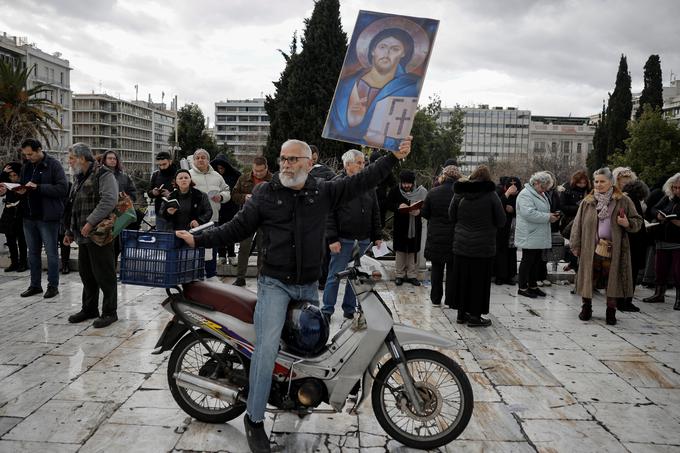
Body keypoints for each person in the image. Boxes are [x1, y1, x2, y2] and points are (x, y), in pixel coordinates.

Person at [176, 137, 412, 453]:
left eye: (293, 159)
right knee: (268, 347)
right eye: (283, 159)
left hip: (306, 286)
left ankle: (294, 395)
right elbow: (236, 229)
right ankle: (255, 419)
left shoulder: (322, 192)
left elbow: (362, 181)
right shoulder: (265, 194)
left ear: (308, 163)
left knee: (307, 348)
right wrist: (198, 240)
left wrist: (392, 157)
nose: (286, 165)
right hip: (274, 284)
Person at [324, 27, 422, 149]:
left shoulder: (409, 88)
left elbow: (394, 139)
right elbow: (333, 127)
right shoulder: (346, 85)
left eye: (395, 49)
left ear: (403, 54)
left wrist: (396, 145)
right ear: (372, 50)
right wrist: (351, 118)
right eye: (382, 47)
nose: (386, 53)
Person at [569, 167, 642, 325]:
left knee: (612, 280)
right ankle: (586, 307)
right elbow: (577, 224)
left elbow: (638, 222)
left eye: (603, 181)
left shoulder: (623, 200)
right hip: (591, 247)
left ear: (611, 182)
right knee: (589, 278)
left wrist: (627, 223)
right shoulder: (588, 201)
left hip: (614, 248)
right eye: (596, 181)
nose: (599, 184)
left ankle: (611, 311)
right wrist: (575, 245)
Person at [1, 139, 69, 299]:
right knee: (33, 253)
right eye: (25, 154)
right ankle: (35, 285)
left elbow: (62, 188)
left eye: (30, 154)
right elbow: (23, 187)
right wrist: (14, 189)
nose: (28, 157)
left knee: (51, 254)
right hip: (28, 216)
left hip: (47, 217)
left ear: (39, 150)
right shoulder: (26, 166)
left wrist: (38, 187)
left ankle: (53, 286)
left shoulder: (53, 165)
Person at [322, 149, 382, 321]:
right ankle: (327, 310)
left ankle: (349, 307)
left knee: (355, 276)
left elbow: (375, 212)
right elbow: (329, 214)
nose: (363, 166)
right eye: (360, 163)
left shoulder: (368, 185)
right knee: (335, 275)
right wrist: (332, 238)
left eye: (364, 163)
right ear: (348, 164)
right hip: (342, 239)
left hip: (362, 240)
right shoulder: (336, 184)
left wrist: (377, 235)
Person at [64, 143, 119, 328]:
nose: (69, 162)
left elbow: (109, 200)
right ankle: (89, 308)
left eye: (71, 158)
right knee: (86, 274)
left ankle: (110, 312)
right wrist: (69, 231)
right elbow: (73, 206)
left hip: (99, 234)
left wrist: (90, 222)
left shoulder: (104, 174)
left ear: (81, 158)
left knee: (105, 275)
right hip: (82, 235)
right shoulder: (79, 177)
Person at [448, 166, 506, 326]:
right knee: (479, 282)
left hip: (461, 245)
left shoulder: (459, 193)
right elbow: (501, 220)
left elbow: (451, 216)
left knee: (462, 279)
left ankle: (461, 314)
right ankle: (474, 316)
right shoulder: (491, 195)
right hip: (483, 247)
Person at [515, 171, 560, 299]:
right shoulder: (525, 194)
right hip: (529, 233)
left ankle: (533, 286)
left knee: (535, 261)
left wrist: (551, 215)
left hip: (537, 233)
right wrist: (547, 217)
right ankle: (522, 287)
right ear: (536, 183)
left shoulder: (538, 193)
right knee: (527, 261)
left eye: (546, 188)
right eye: (543, 187)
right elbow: (528, 213)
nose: (544, 190)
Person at [422, 165, 460, 306]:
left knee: (436, 270)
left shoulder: (433, 192)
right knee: (452, 271)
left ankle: (436, 299)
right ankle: (451, 299)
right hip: (453, 237)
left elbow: (425, 213)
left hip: (436, 236)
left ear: (443, 176)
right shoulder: (459, 194)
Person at [189, 148, 231, 279]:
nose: (200, 160)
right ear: (194, 160)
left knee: (212, 249)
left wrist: (221, 197)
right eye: (198, 158)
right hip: (195, 220)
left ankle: (211, 276)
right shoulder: (188, 175)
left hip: (213, 218)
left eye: (203, 157)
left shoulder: (217, 176)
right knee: (195, 249)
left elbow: (227, 190)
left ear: (208, 160)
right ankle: (195, 276)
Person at [231, 156, 272, 287]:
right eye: (255, 171)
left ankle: (261, 277)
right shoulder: (243, 178)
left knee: (263, 248)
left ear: (266, 168)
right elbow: (234, 195)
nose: (258, 173)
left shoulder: (274, 179)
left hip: (266, 218)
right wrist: (244, 197)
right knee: (244, 247)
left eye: (261, 171)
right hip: (248, 217)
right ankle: (240, 277)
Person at [643, 173, 680, 309]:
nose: (676, 190)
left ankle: (679, 299)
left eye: (679, 188)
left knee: (678, 271)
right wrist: (658, 215)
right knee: (660, 269)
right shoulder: (668, 197)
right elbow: (653, 208)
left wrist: (677, 221)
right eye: (674, 187)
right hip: (662, 239)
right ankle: (659, 294)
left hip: (677, 241)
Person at [614, 167, 648, 312]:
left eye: (628, 181)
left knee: (630, 270)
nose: (626, 184)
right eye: (623, 181)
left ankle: (625, 299)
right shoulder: (624, 198)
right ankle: (624, 300)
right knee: (628, 270)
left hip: (634, 237)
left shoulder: (629, 198)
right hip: (629, 239)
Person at [387, 169, 427, 286]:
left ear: (413, 183)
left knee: (413, 250)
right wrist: (398, 206)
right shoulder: (395, 190)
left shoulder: (421, 191)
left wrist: (419, 211)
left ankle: (412, 275)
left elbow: (427, 208)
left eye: (408, 183)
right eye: (404, 183)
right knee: (400, 251)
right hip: (400, 225)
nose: (406, 186)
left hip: (415, 225)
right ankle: (399, 275)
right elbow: (388, 204)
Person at [102, 150, 137, 262]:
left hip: (119, 215)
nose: (112, 160)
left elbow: (133, 194)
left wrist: (125, 199)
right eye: (110, 158)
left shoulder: (124, 177)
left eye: (114, 158)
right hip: (103, 214)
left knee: (118, 243)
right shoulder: (99, 176)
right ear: (104, 160)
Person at [211, 154, 241, 266]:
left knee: (231, 231)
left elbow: (238, 191)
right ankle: (222, 255)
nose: (220, 170)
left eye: (222, 168)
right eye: (218, 168)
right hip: (217, 208)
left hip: (231, 208)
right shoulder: (212, 176)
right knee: (219, 231)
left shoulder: (236, 175)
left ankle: (232, 254)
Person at [560, 170, 591, 272]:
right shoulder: (567, 189)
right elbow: (563, 207)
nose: (582, 185)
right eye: (579, 183)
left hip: (585, 220)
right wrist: (579, 208)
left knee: (582, 245)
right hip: (570, 220)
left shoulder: (590, 190)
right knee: (574, 243)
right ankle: (573, 263)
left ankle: (574, 264)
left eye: (584, 183)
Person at [0, 163, 27, 272]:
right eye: (10, 176)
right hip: (9, 213)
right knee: (10, 240)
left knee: (22, 240)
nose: (12, 178)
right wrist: (3, 173)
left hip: (20, 213)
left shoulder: (23, 183)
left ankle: (23, 263)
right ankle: (14, 262)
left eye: (15, 175)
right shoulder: (8, 185)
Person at [494, 176, 521, 285]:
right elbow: (498, 206)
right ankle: (499, 276)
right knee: (501, 252)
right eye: (511, 186)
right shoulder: (500, 193)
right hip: (502, 229)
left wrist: (513, 210)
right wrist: (507, 194)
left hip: (514, 228)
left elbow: (523, 210)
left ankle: (510, 275)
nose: (513, 188)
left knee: (511, 252)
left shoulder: (520, 196)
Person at [148, 151, 177, 232]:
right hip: (160, 212)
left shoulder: (178, 174)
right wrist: (153, 192)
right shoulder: (156, 174)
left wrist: (170, 195)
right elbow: (149, 192)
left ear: (170, 162)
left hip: (175, 213)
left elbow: (184, 191)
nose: (162, 167)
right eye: (160, 165)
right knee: (161, 239)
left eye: (164, 164)